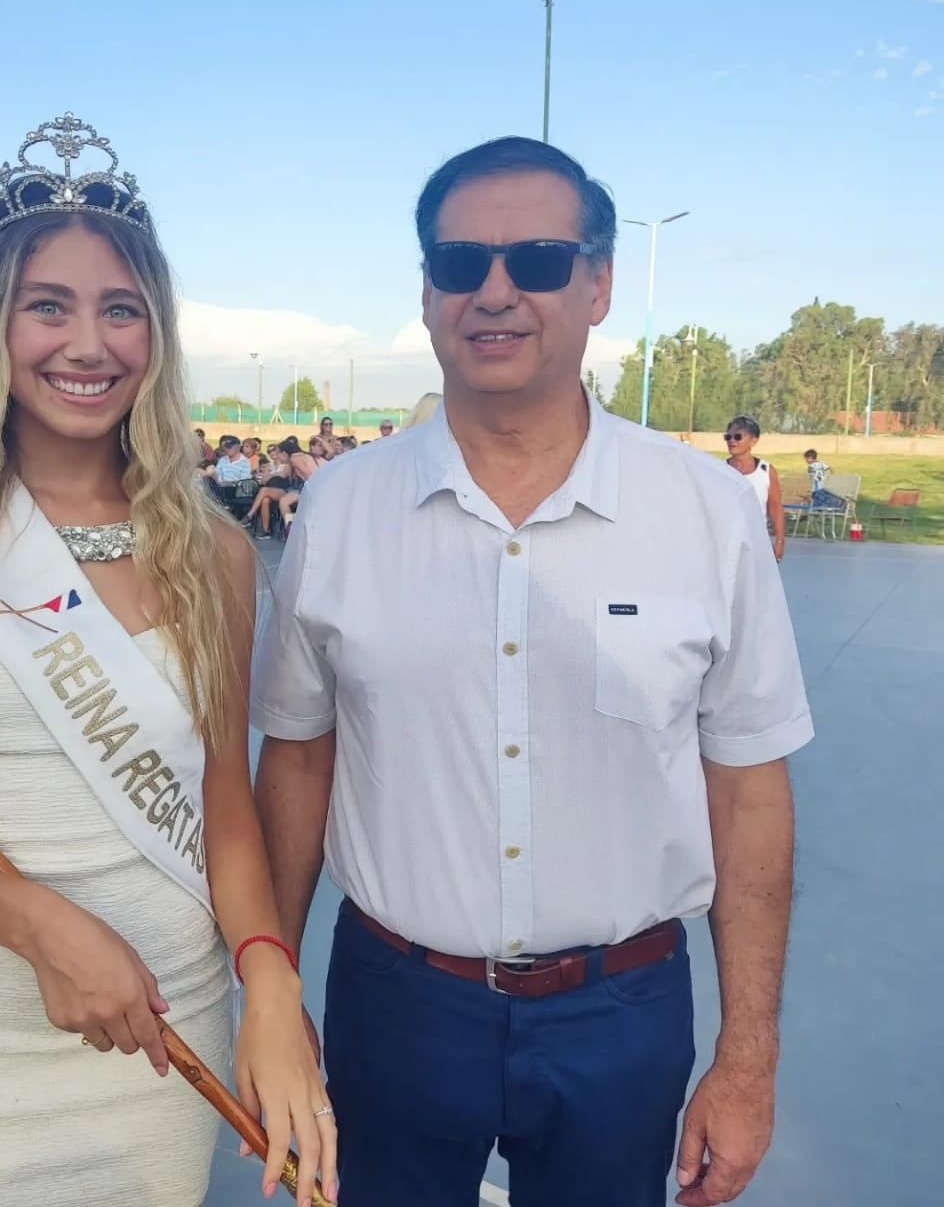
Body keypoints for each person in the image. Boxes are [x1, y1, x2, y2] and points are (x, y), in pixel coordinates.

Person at [252, 136, 812, 1207]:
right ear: (425, 294)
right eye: (459, 265)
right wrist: (270, 986)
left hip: (622, 1004)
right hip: (396, 998)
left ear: (597, 284)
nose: (494, 291)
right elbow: (296, 759)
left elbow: (745, 789)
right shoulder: (342, 507)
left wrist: (746, 1058)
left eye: (539, 261)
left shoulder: (701, 512)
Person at [0, 113, 334, 1207]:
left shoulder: (219, 552)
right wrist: (40, 923)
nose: (86, 343)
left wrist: (268, 978)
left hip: (156, 1033)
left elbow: (223, 802)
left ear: (155, 337)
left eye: (120, 310)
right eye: (47, 305)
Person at [725, 415, 785, 561]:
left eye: (738, 436)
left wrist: (779, 540)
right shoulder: (720, 470)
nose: (732, 441)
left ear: (754, 440)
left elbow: (775, 507)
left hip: (757, 544)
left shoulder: (766, 471)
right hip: (726, 544)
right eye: (728, 437)